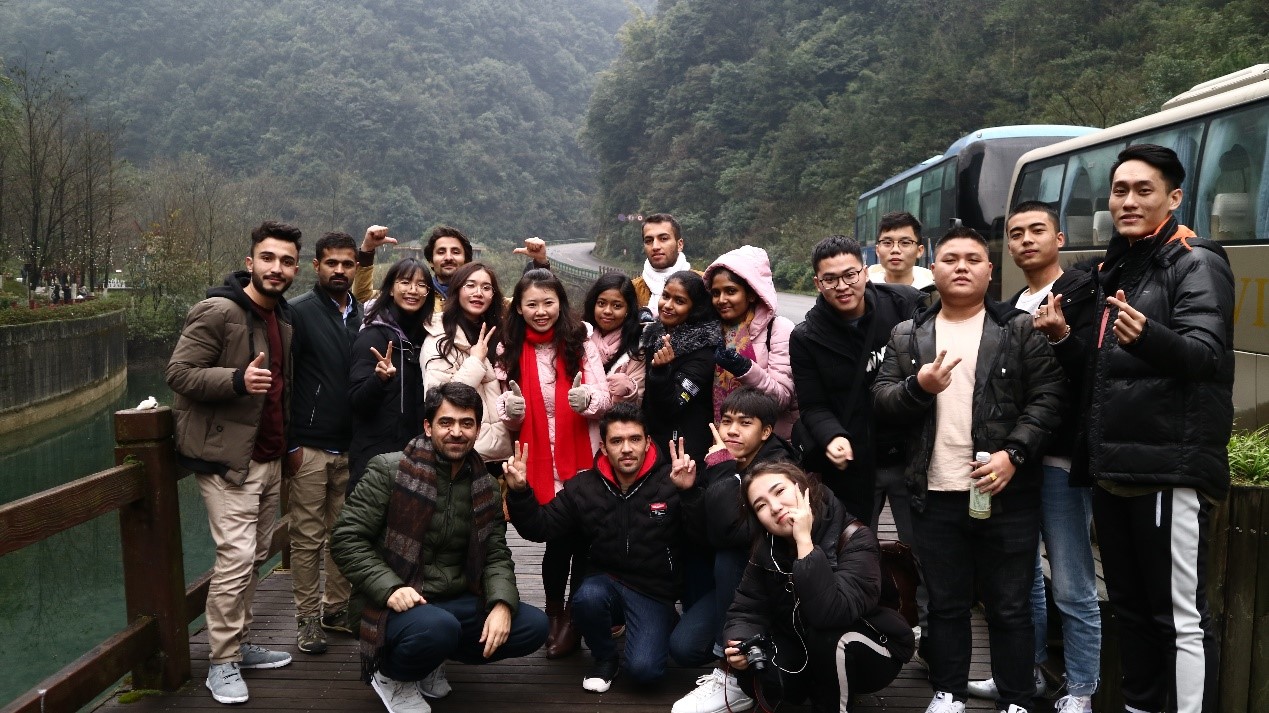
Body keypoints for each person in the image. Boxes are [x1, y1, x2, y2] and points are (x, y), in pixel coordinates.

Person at [872, 226, 1065, 713]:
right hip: (934, 492)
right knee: (946, 601)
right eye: (951, 258)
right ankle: (949, 691)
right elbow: (882, 400)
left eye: (973, 259)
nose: (961, 267)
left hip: (1005, 492)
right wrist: (918, 386)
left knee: (1010, 604)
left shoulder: (1019, 329)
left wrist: (1013, 455)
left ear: (989, 270)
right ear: (932, 269)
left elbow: (1048, 399)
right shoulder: (908, 334)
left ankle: (1017, 698)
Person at [1075, 144, 1233, 713]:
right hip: (1116, 470)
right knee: (1133, 612)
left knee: (1179, 618)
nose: (1129, 201)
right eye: (1120, 190)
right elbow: (1108, 373)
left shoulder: (1195, 262)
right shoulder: (1123, 264)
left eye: (1144, 190)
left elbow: (1206, 355)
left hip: (1168, 471)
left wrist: (1148, 337)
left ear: (1174, 198)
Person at [330, 382, 549, 713]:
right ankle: (392, 676)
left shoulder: (486, 485)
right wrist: (389, 588)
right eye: (446, 422)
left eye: (466, 423)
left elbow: (495, 554)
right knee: (437, 628)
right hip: (391, 599)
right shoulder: (388, 470)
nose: (456, 432)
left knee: (532, 627)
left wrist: (502, 604)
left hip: (452, 598)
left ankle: (430, 659)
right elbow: (346, 538)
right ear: (428, 426)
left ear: (477, 429)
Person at [966, 201, 1102, 712]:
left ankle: (1081, 690)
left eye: (1036, 230)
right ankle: (1026, 673)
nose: (1025, 240)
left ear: (1059, 238)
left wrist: (1062, 335)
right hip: (1014, 461)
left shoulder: (1083, 294)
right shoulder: (1010, 307)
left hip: (1061, 459)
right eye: (1016, 232)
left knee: (1071, 581)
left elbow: (1094, 372)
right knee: (1021, 581)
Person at [166, 221, 302, 704]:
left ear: (295, 269)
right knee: (236, 559)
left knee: (255, 556)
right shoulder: (219, 311)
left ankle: (239, 644)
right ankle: (221, 660)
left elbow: (281, 392)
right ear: (250, 262)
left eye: (286, 261)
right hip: (227, 461)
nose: (277, 268)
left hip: (267, 458)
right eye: (268, 258)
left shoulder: (281, 318)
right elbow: (179, 373)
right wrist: (237, 381)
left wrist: (287, 446)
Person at [504, 403, 702, 692]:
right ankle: (605, 658)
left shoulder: (671, 480)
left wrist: (689, 493)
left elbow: (700, 535)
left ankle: (661, 622)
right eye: (617, 441)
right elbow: (540, 527)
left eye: (635, 439)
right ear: (604, 447)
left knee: (644, 672)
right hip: (605, 583)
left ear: (648, 442)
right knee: (586, 597)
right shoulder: (583, 487)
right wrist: (520, 492)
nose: (627, 449)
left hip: (653, 591)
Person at [722, 461, 914, 712]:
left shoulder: (855, 537)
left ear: (803, 487)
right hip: (806, 645)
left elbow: (832, 613)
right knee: (758, 666)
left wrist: (804, 543)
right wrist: (740, 643)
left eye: (779, 491)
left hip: (871, 647)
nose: (775, 507)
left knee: (829, 637)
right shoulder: (766, 548)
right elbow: (746, 609)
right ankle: (811, 687)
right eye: (761, 505)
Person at [497, 268, 613, 658]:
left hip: (583, 459)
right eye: (532, 304)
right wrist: (511, 410)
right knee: (557, 541)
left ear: (561, 304)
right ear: (519, 307)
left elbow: (604, 397)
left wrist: (588, 400)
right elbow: (506, 409)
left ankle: (574, 619)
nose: (541, 311)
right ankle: (553, 612)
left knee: (583, 541)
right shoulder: (509, 347)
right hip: (538, 462)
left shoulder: (580, 340)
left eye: (548, 302)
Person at [670, 388, 799, 713]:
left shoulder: (777, 468)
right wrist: (689, 493)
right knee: (684, 648)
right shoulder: (725, 460)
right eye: (726, 421)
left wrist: (723, 470)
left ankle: (733, 676)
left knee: (729, 556)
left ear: (766, 431)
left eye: (745, 423)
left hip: (779, 590)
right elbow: (705, 537)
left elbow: (732, 535)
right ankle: (737, 653)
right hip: (738, 591)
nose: (732, 431)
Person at [790, 235, 925, 526]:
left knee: (921, 546)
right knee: (855, 544)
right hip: (854, 460)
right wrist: (831, 436)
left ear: (865, 272)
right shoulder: (806, 337)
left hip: (910, 456)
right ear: (817, 283)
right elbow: (813, 405)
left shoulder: (902, 305)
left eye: (850, 275)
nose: (842, 286)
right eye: (830, 279)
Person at [284, 231, 362, 655]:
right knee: (307, 537)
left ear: (356, 267)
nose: (339, 270)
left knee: (344, 534)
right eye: (331, 263)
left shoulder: (361, 314)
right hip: (310, 447)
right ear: (316, 265)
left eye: (347, 263)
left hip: (351, 446)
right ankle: (307, 618)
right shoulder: (298, 312)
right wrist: (291, 444)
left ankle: (336, 608)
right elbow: (283, 382)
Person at [348, 258, 437, 491]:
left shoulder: (428, 338)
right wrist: (379, 379)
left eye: (421, 285)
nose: (413, 290)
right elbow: (357, 401)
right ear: (390, 288)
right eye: (405, 282)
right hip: (375, 458)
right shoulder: (373, 335)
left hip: (417, 456)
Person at [421, 262, 513, 465]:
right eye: (470, 285)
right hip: (462, 453)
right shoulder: (439, 337)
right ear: (456, 290)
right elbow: (437, 399)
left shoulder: (499, 334)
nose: (478, 293)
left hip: (501, 454)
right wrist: (475, 361)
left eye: (486, 287)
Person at [703, 246, 798, 439]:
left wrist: (744, 368)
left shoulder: (778, 329)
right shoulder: (711, 333)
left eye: (731, 291)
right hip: (723, 440)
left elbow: (781, 398)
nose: (721, 300)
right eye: (715, 293)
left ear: (752, 294)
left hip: (769, 443)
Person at [353, 225, 549, 308]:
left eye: (455, 252)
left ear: (467, 260)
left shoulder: (482, 297)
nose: (448, 257)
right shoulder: (416, 294)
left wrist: (540, 262)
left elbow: (525, 305)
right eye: (441, 252)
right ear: (431, 261)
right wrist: (367, 250)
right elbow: (363, 296)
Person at [640, 270, 721, 467]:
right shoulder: (654, 335)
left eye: (679, 301)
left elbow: (672, 406)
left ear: (696, 308)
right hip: (651, 441)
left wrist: (661, 372)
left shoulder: (703, 351)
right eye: (665, 296)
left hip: (683, 451)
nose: (668, 305)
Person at [582, 272, 647, 404]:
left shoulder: (637, 348)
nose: (607, 311)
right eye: (601, 303)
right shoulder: (579, 337)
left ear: (628, 310)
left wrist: (628, 390)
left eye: (617, 306)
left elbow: (637, 402)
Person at [633, 213, 702, 312]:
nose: (655, 246)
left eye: (663, 239)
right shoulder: (632, 290)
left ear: (680, 245)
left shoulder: (704, 284)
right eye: (649, 241)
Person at [867, 211, 936, 290]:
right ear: (877, 250)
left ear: (919, 251)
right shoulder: (865, 291)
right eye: (887, 243)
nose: (895, 250)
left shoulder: (932, 292)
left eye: (905, 243)